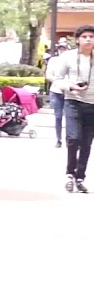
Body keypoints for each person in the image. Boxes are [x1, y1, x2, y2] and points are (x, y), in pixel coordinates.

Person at [46, 25, 94, 193]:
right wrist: (71, 86)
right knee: (73, 138)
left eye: (91, 37)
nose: (88, 39)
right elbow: (57, 79)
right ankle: (69, 173)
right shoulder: (68, 56)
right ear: (78, 40)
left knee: (87, 143)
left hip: (92, 105)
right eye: (85, 36)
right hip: (73, 101)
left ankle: (80, 177)